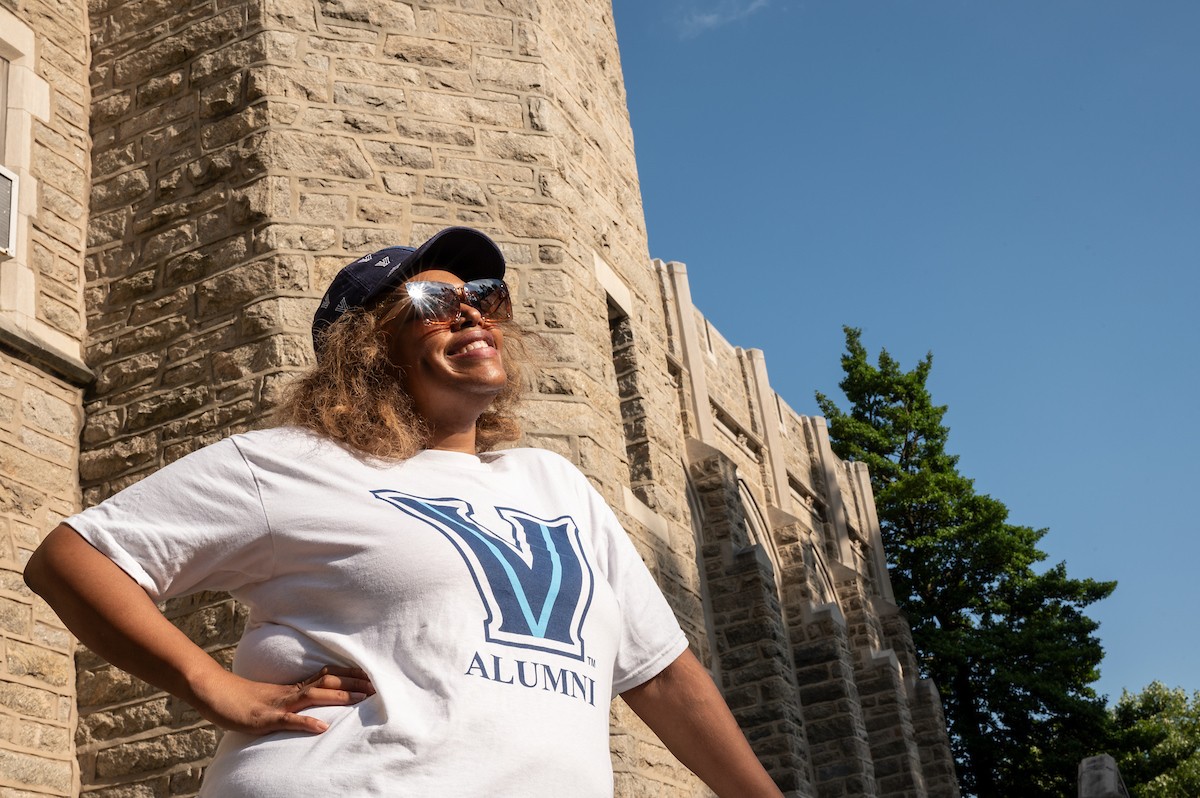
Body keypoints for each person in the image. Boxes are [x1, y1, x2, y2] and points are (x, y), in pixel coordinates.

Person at [25, 227, 784, 797]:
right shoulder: (291, 464)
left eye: (485, 298)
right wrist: (208, 684)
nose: (472, 315)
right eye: (432, 303)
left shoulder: (554, 485)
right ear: (367, 345)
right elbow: (72, 559)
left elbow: (662, 678)